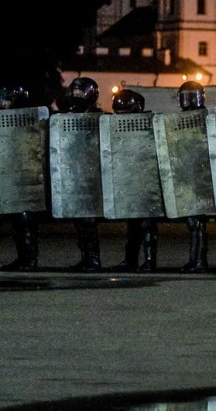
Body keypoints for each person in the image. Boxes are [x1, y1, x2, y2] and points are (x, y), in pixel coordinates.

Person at [107, 88, 159, 273]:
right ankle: (130, 260)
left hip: (147, 179)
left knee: (146, 223)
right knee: (133, 224)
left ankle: (149, 262)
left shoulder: (150, 124)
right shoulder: (115, 125)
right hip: (130, 177)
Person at [0, 86, 40, 271]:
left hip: (28, 175)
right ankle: (24, 258)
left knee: (25, 219)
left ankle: (29, 259)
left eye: (6, 99)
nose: (2, 103)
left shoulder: (28, 120)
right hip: (14, 173)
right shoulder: (4, 120)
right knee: (18, 222)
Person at [63, 77, 104, 272]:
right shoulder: (68, 117)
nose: (76, 96)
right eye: (74, 92)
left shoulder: (98, 117)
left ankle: (93, 259)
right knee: (80, 220)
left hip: (93, 173)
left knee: (88, 220)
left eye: (80, 93)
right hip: (76, 172)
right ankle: (86, 257)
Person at [173, 81, 210, 273]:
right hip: (188, 176)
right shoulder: (180, 120)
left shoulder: (207, 117)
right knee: (192, 222)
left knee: (196, 222)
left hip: (202, 177)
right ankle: (195, 259)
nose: (187, 101)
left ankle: (199, 261)